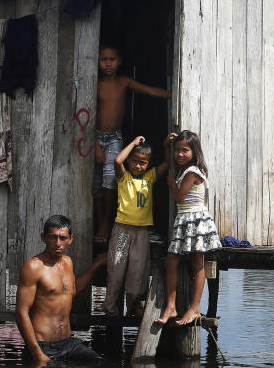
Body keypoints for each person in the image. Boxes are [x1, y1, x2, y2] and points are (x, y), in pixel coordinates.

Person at [94, 45, 171, 243]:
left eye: (112, 59)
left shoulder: (123, 81)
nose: (108, 63)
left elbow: (149, 91)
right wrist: (94, 145)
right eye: (104, 59)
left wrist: (174, 93)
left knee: (111, 179)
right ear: (97, 61)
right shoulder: (95, 84)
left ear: (120, 61)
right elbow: (87, 113)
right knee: (95, 185)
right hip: (94, 136)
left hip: (114, 137)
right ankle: (100, 221)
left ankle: (105, 223)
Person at [16, 215, 107, 364]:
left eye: (63, 238)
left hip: (68, 343)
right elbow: (21, 312)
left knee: (100, 365)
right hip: (43, 346)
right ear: (43, 238)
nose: (58, 243)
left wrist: (96, 266)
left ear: (70, 239)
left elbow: (71, 291)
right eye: (53, 237)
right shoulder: (33, 267)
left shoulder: (67, 262)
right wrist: (37, 353)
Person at [155, 131, 222, 326]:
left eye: (185, 150)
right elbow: (170, 166)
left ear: (194, 151)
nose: (180, 154)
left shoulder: (192, 172)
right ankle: (172, 306)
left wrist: (171, 185)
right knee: (172, 261)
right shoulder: (185, 170)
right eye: (177, 150)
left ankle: (193, 308)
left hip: (194, 218)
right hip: (186, 219)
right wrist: (166, 146)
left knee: (197, 263)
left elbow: (179, 198)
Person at [102, 134, 170, 316]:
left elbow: (166, 163)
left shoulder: (149, 178)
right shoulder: (124, 177)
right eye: (135, 161)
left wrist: (166, 145)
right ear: (130, 161)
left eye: (143, 162)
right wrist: (132, 143)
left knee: (138, 271)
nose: (138, 166)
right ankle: (110, 307)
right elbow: (117, 161)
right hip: (122, 229)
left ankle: (133, 306)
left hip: (141, 231)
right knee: (116, 268)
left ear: (148, 164)